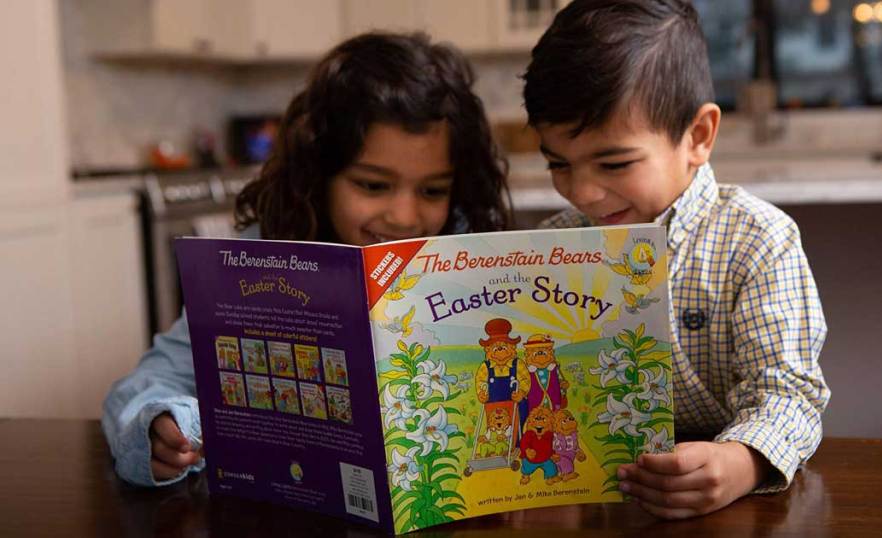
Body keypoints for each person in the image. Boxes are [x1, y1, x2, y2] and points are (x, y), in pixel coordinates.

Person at [102, 31, 512, 487]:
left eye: (433, 190)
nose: (405, 217)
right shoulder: (265, 256)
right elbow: (151, 381)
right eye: (373, 185)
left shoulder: (469, 254)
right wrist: (159, 425)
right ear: (319, 176)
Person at [522, 0, 829, 519]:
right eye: (559, 164)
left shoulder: (758, 239)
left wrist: (741, 462)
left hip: (727, 506)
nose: (584, 192)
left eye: (614, 162)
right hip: (597, 500)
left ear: (698, 137)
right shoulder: (554, 245)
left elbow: (789, 394)